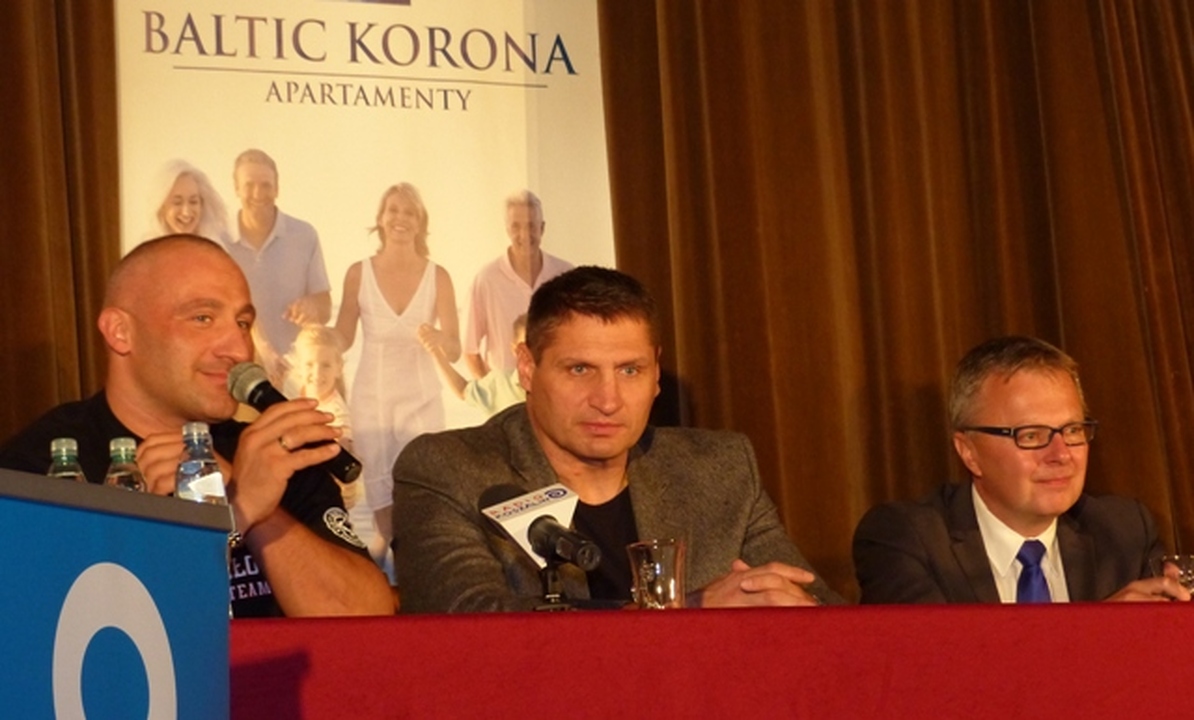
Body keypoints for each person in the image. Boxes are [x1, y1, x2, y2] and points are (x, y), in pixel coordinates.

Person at [393, 265, 841, 612]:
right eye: (579, 369)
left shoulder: (720, 468)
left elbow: (821, 609)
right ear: (527, 368)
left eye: (630, 370)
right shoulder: (450, 470)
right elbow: (468, 626)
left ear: (656, 372)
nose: (608, 401)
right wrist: (687, 610)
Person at [0, 235, 394, 617]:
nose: (238, 349)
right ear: (121, 332)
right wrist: (233, 514)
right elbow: (64, 632)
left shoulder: (271, 456)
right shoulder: (41, 467)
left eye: (243, 323)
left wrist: (256, 508)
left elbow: (367, 621)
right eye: (202, 318)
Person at [853, 335, 1190, 604]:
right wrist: (1098, 633)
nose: (1061, 454)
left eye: (1072, 430)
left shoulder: (1124, 533)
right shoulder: (908, 540)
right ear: (969, 452)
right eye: (1031, 435)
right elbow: (936, 664)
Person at [335, 182, 460, 551]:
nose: (400, 218)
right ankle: (386, 571)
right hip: (372, 403)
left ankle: (416, 566)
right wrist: (313, 334)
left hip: (422, 401)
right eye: (393, 210)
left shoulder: (439, 276)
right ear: (380, 218)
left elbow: (455, 349)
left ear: (420, 223)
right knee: (383, 515)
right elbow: (342, 337)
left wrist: (440, 339)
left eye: (409, 212)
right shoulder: (358, 273)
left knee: (422, 491)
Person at [221, 149, 332, 380]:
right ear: (236, 188)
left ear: (277, 188)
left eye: (266, 185)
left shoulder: (304, 235)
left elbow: (325, 308)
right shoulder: (218, 240)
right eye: (249, 185)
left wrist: (311, 307)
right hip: (235, 375)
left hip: (294, 374)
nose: (258, 193)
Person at [287, 324, 389, 570]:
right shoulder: (296, 394)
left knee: (329, 544)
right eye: (309, 364)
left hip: (331, 491)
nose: (316, 372)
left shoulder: (336, 413)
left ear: (338, 368)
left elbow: (338, 453)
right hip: (305, 487)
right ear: (299, 366)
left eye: (325, 365)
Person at [463, 190, 572, 380]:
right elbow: (470, 350)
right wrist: (492, 393)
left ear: (542, 228)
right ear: (507, 230)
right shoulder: (486, 280)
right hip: (507, 393)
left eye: (531, 225)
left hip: (556, 388)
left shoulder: (566, 275)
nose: (524, 234)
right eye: (516, 226)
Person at [427, 313, 527, 417]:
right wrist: (436, 353)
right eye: (525, 346)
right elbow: (463, 389)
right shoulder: (499, 383)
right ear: (514, 349)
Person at [146, 159, 229, 241]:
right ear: (162, 207)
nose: (186, 212)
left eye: (193, 202)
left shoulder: (217, 246)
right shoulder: (149, 248)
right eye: (177, 203)